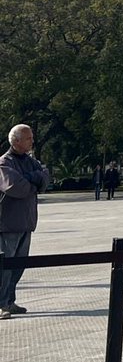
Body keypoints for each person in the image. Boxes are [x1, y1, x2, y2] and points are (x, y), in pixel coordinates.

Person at [0, 124, 51, 319]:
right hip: (8, 224)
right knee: (5, 267)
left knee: (18, 266)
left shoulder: (31, 162)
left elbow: (45, 178)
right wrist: (34, 182)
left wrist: (32, 179)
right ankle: (2, 304)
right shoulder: (4, 163)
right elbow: (16, 187)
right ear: (16, 141)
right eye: (28, 138)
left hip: (26, 222)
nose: (32, 141)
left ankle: (9, 301)